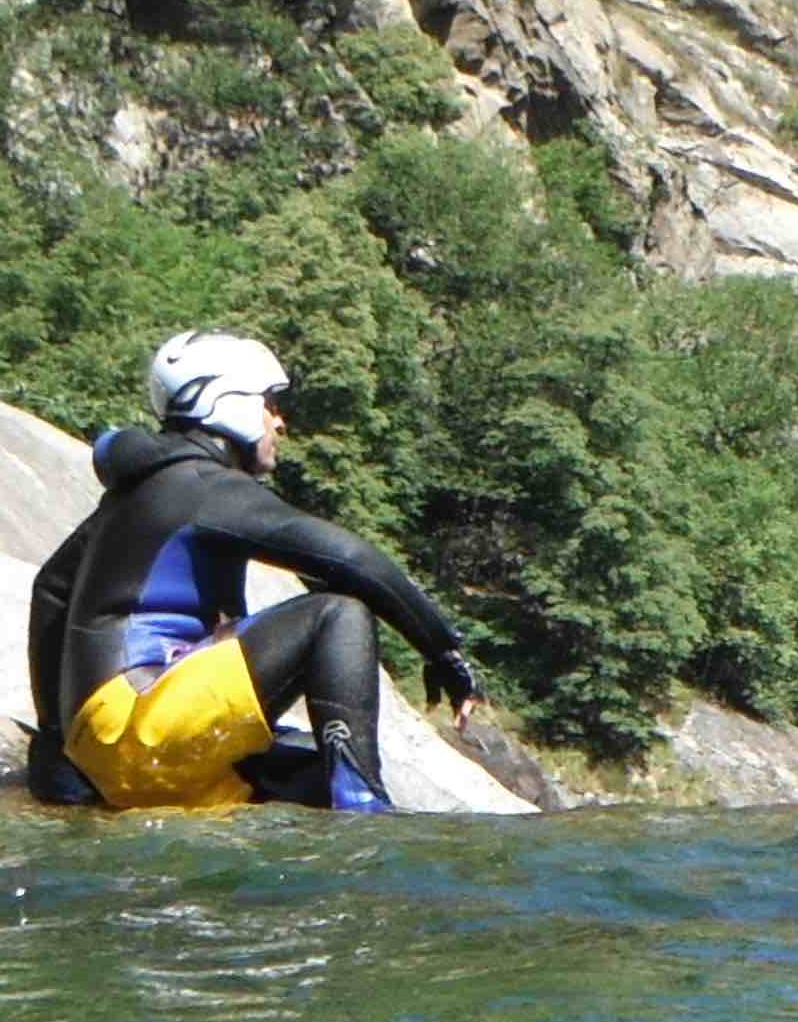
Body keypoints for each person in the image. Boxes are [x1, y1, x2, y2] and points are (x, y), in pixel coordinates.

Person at [26, 330, 478, 815]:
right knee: (337, 615)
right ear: (228, 402)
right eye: (269, 405)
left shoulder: (137, 493)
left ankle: (335, 797)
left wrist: (57, 741)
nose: (280, 423)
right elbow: (351, 560)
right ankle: (363, 811)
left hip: (113, 754)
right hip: (144, 730)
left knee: (310, 769)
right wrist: (442, 650)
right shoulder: (208, 486)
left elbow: (52, 589)